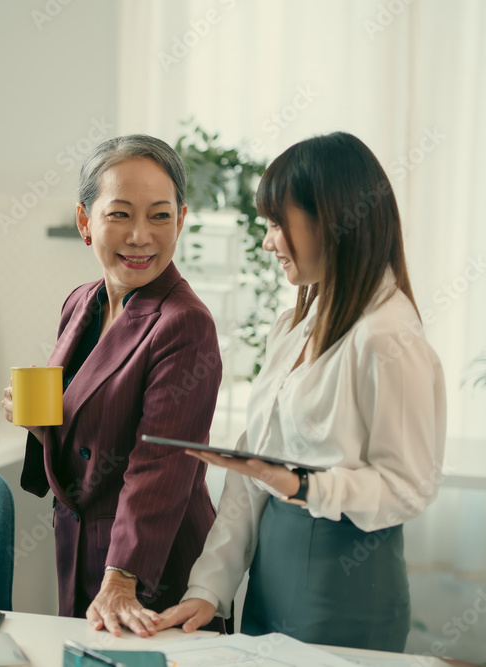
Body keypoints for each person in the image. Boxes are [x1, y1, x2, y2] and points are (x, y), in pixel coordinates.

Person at [153, 132, 446, 652]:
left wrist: (305, 486)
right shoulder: (294, 324)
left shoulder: (387, 338)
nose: (267, 242)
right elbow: (252, 478)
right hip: (270, 579)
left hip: (347, 588)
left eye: (275, 224)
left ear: (331, 219)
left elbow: (409, 487)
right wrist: (209, 587)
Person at [2, 134, 224, 637]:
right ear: (85, 221)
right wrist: (41, 428)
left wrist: (123, 579)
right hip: (79, 545)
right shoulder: (82, 302)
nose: (141, 235)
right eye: (120, 214)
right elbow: (87, 433)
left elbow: (162, 464)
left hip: (150, 564)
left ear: (181, 220)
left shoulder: (185, 323)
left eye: (160, 216)